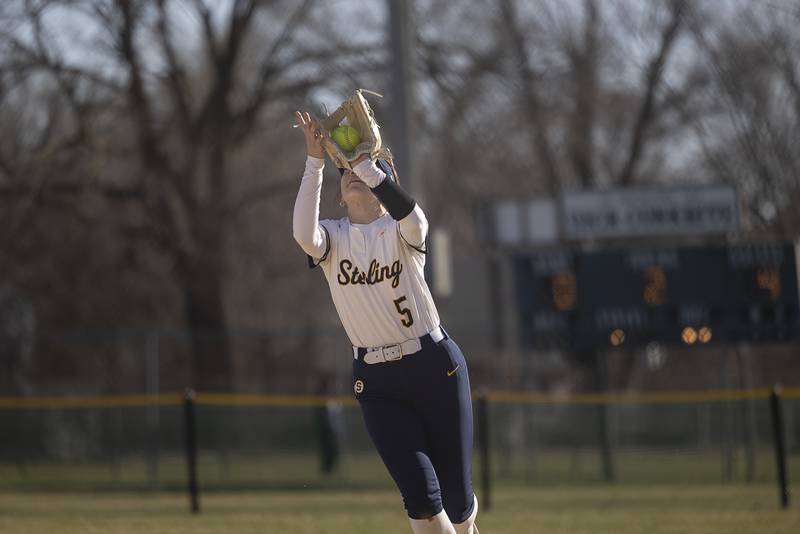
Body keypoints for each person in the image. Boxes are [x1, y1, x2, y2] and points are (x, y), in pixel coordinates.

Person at [292, 111, 479, 534]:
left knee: (458, 507)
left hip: (435, 366)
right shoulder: (333, 237)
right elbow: (303, 233)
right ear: (340, 195)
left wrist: (367, 166)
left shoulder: (400, 232)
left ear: (384, 183)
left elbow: (416, 219)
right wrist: (315, 161)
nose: (355, 175)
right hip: (377, 382)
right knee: (423, 504)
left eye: (371, 172)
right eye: (350, 173)